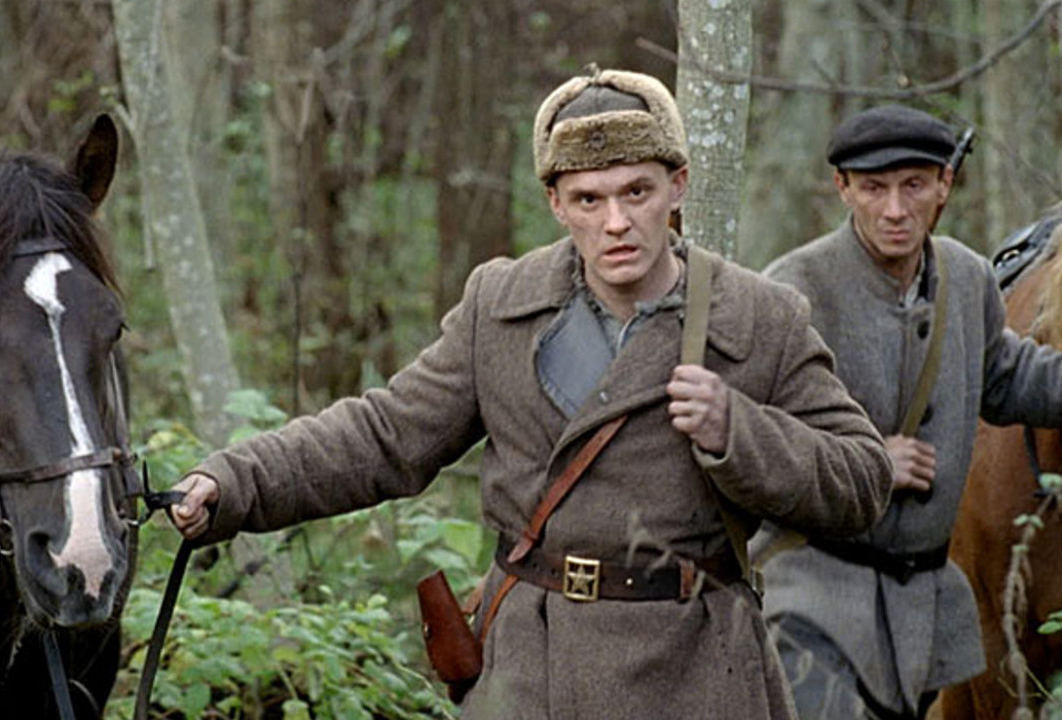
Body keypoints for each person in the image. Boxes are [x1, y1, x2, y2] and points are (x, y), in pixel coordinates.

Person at [170, 68, 892, 719]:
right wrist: (233, 482)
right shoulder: (501, 305)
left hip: (695, 671)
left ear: (677, 186)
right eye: (589, 199)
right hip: (530, 668)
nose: (616, 222)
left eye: (636, 192)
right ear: (555, 203)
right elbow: (386, 436)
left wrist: (739, 430)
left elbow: (862, 480)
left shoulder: (758, 317)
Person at [758, 104, 1062, 719]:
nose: (895, 210)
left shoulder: (965, 277)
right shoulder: (794, 289)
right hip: (816, 594)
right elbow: (751, 439)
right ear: (843, 187)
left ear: (945, 184)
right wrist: (868, 464)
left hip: (921, 609)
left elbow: (1009, 377)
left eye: (914, 185)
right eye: (874, 188)